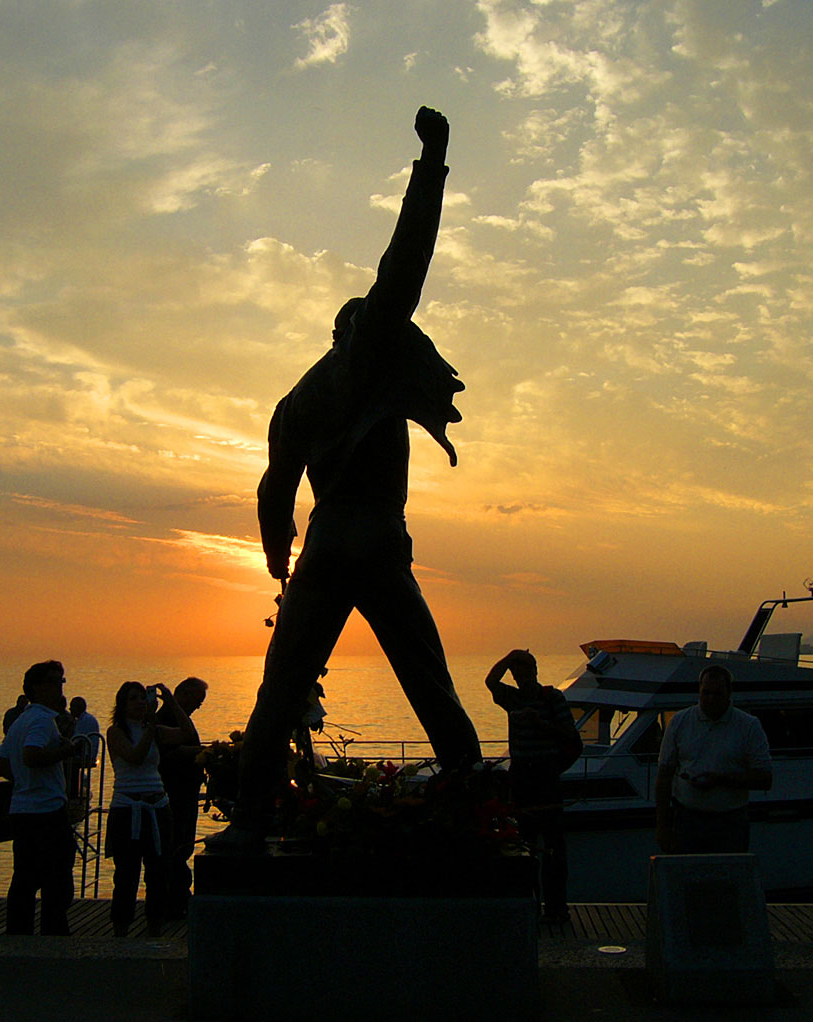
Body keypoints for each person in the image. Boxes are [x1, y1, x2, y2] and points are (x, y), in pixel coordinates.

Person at [214, 106, 481, 844]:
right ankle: (471, 797)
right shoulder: (367, 361)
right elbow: (405, 265)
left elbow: (274, 488)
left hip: (323, 545)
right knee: (429, 683)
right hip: (373, 543)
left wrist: (276, 552)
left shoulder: (294, 400)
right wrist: (432, 163)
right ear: (359, 332)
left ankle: (249, 824)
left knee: (281, 690)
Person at [485, 649, 578, 923]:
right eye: (518, 673)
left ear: (535, 671)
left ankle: (557, 908)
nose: (523, 677)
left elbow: (569, 735)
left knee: (554, 847)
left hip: (546, 777)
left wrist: (540, 724)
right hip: (522, 778)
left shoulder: (553, 699)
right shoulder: (511, 698)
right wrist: (509, 657)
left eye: (526, 671)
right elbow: (490, 681)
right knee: (524, 846)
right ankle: (529, 905)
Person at [0, 660, 80, 935]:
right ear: (38, 688)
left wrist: (24, 782)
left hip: (21, 809)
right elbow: (31, 755)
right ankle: (54, 934)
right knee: (58, 879)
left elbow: (1, 763)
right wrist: (66, 752)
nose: (61, 687)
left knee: (25, 878)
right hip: (47, 812)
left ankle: (18, 934)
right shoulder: (43, 720)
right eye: (56, 681)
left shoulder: (23, 719)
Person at [105, 681, 193, 936]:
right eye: (134, 699)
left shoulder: (152, 730)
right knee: (127, 875)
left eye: (143, 698)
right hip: (128, 809)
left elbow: (187, 733)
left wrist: (172, 702)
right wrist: (152, 725)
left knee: (159, 873)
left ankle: (155, 927)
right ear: (122, 704)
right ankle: (121, 930)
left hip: (157, 807)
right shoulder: (116, 732)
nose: (140, 703)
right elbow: (135, 756)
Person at [656, 664, 772, 854]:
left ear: (729, 693)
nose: (710, 699)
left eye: (717, 694)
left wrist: (721, 779)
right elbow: (664, 776)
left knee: (728, 879)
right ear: (699, 691)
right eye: (706, 693)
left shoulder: (749, 726)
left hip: (731, 822)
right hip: (686, 820)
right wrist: (662, 826)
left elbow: (765, 779)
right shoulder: (679, 722)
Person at [157, 677, 207, 918]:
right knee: (176, 845)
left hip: (185, 791)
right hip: (174, 793)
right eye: (197, 701)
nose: (197, 707)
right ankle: (174, 901)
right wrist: (204, 753)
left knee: (181, 845)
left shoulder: (177, 718)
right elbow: (169, 754)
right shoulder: (166, 719)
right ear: (183, 695)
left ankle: (177, 898)